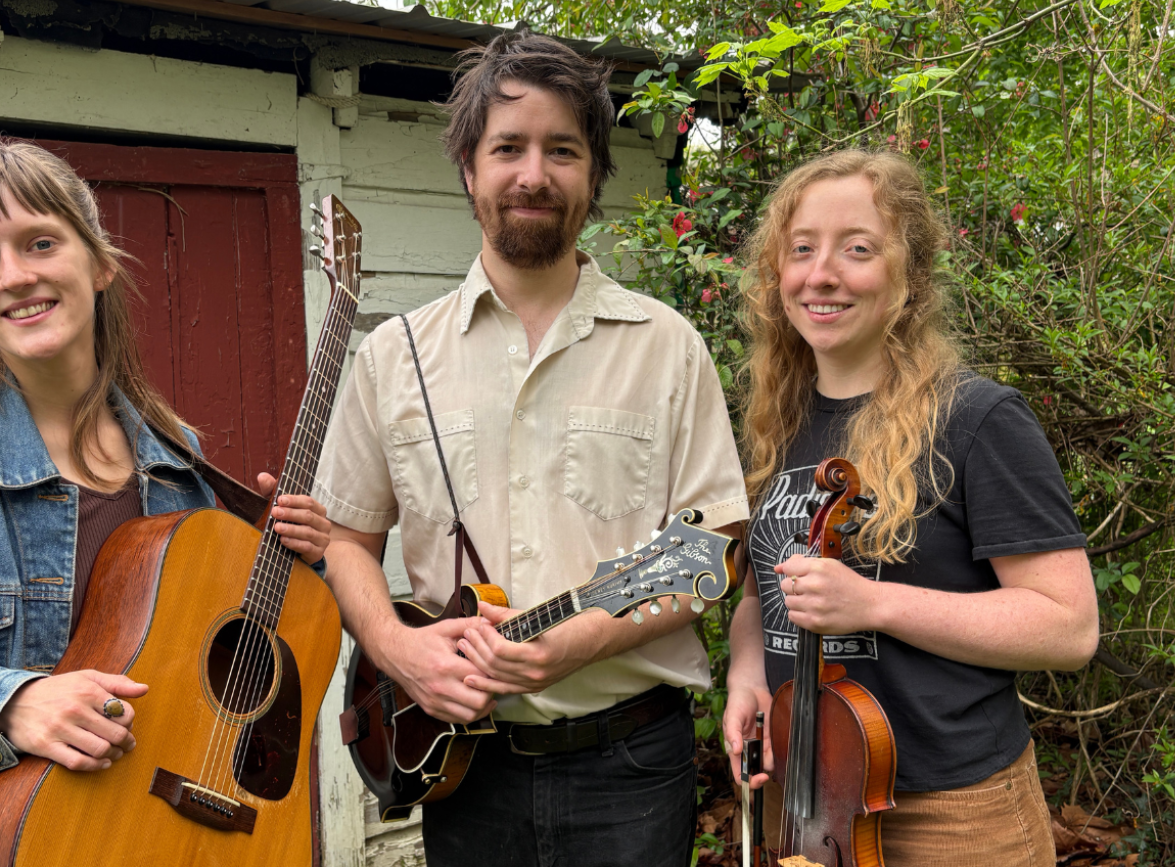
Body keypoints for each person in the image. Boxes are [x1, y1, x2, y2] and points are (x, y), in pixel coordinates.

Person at [313, 31, 749, 867]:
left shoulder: (667, 346)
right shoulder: (393, 355)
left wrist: (577, 640)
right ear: (469, 170)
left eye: (562, 150)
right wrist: (399, 651)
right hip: (458, 766)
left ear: (591, 175)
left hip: (630, 763)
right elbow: (343, 539)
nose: (533, 174)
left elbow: (710, 548)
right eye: (506, 148)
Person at [0, 140, 330, 817]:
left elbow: (244, 680)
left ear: (101, 263)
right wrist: (8, 705)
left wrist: (300, 564)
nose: (14, 275)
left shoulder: (179, 462)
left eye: (41, 242)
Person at [722, 148, 1098, 866]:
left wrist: (874, 604)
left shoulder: (978, 420)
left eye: (856, 248)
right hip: (806, 794)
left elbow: (1067, 626)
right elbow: (761, 590)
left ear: (909, 273)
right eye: (800, 249)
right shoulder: (779, 418)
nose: (820, 272)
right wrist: (744, 674)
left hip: (950, 811)